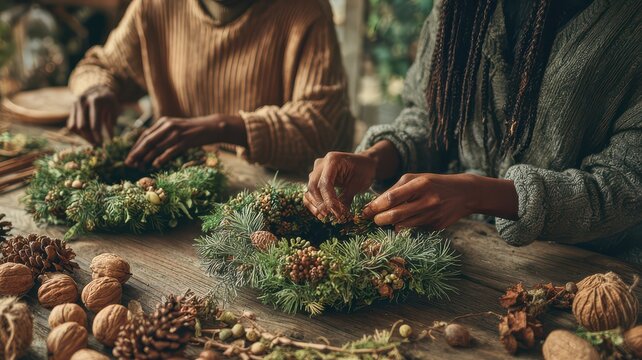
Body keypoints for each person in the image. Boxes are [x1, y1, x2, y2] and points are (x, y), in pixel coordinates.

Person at [305, 0, 642, 258]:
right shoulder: (457, 7)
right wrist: (376, 159)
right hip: (459, 251)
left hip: (590, 275)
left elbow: (628, 185)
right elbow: (431, 116)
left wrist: (476, 193)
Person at [67, 0, 354, 171]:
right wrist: (96, 89)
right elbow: (101, 67)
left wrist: (221, 127)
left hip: (275, 190)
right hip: (183, 179)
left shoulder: (305, 11)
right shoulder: (156, 6)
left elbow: (319, 127)